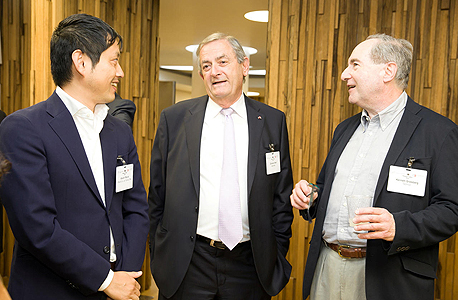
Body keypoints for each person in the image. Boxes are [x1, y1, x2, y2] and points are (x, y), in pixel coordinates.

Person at [290, 33, 458, 300]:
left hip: (388, 276)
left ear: (387, 71)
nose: (345, 74)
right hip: (327, 265)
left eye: (355, 64)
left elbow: (451, 209)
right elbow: (324, 187)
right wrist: (311, 195)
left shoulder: (438, 132)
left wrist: (397, 226)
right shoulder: (344, 129)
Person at [0, 14, 149, 300]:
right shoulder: (23, 129)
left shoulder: (119, 132)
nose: (120, 71)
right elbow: (37, 229)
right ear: (81, 62)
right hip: (50, 290)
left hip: (118, 289)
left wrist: (124, 278)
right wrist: (106, 280)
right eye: (114, 60)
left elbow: (136, 209)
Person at [149, 32, 294, 300]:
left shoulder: (272, 122)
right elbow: (156, 196)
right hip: (189, 262)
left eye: (222, 62)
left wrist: (276, 249)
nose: (214, 72)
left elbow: (281, 198)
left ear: (244, 66)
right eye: (206, 66)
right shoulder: (175, 118)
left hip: (250, 265)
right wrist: (159, 254)